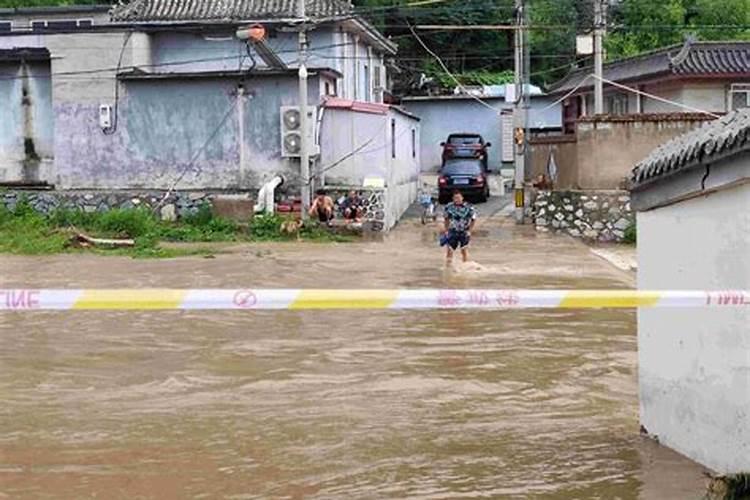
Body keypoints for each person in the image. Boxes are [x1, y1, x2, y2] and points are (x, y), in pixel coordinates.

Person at [441, 190, 477, 264]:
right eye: (455, 198)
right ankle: (448, 266)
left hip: (464, 231)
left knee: (464, 250)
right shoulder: (449, 207)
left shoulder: (469, 207)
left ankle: (465, 266)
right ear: (453, 199)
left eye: (458, 198)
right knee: (450, 250)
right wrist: (446, 230)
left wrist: (469, 231)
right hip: (453, 231)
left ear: (462, 198)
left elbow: (473, 219)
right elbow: (446, 219)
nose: (457, 200)